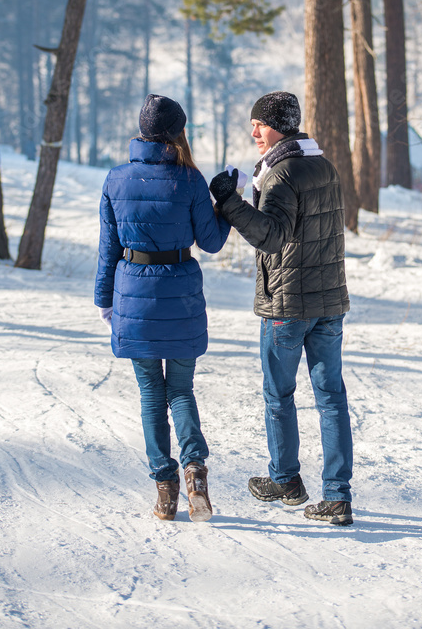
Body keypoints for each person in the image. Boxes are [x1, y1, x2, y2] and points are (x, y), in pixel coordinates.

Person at [209, 91, 353, 526]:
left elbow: (272, 236)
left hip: (288, 305)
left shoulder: (281, 173)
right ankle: (337, 497)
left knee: (279, 395)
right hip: (329, 302)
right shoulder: (322, 165)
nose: (254, 132)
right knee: (331, 399)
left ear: (280, 126)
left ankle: (286, 479)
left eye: (260, 124)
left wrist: (229, 201)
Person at [94, 94, 230, 523]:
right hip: (181, 295)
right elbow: (210, 242)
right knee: (182, 391)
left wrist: (104, 300)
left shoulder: (116, 180)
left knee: (152, 393)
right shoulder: (189, 180)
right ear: (177, 133)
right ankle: (195, 472)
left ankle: (165, 491)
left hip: (133, 294)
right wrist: (227, 203)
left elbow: (108, 250)